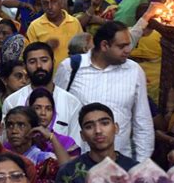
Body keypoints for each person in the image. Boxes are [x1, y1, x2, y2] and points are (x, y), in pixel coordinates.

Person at [54, 21, 155, 161]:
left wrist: (141, 163)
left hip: (120, 162)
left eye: (129, 45)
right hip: (78, 161)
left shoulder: (134, 71)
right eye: (122, 46)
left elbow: (142, 121)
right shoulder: (70, 67)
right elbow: (56, 115)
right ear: (104, 45)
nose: (128, 50)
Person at [2, 42, 83, 147]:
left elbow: (75, 146)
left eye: (44, 60)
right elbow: (6, 142)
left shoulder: (72, 102)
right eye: (32, 62)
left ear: (53, 62)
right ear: (25, 67)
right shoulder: (12, 101)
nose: (39, 66)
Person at [54, 103, 138, 183]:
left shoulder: (134, 170)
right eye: (89, 127)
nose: (98, 131)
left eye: (104, 123)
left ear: (116, 128)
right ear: (82, 136)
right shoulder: (70, 172)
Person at [5, 106, 64, 183]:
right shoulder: (1, 158)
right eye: (10, 125)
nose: (14, 131)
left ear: (33, 130)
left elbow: (67, 174)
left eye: (21, 125)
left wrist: (51, 137)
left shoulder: (45, 160)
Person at [26, 0, 83, 71]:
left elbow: (82, 49)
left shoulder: (74, 22)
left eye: (53, 2)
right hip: (46, 77)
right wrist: (45, 47)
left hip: (72, 75)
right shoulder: (34, 26)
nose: (50, 7)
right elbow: (29, 56)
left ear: (61, 3)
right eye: (45, 3)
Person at [28, 88, 81, 156]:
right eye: (37, 108)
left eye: (48, 109)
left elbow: (69, 165)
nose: (43, 113)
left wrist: (51, 138)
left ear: (54, 113)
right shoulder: (21, 140)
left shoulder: (66, 142)